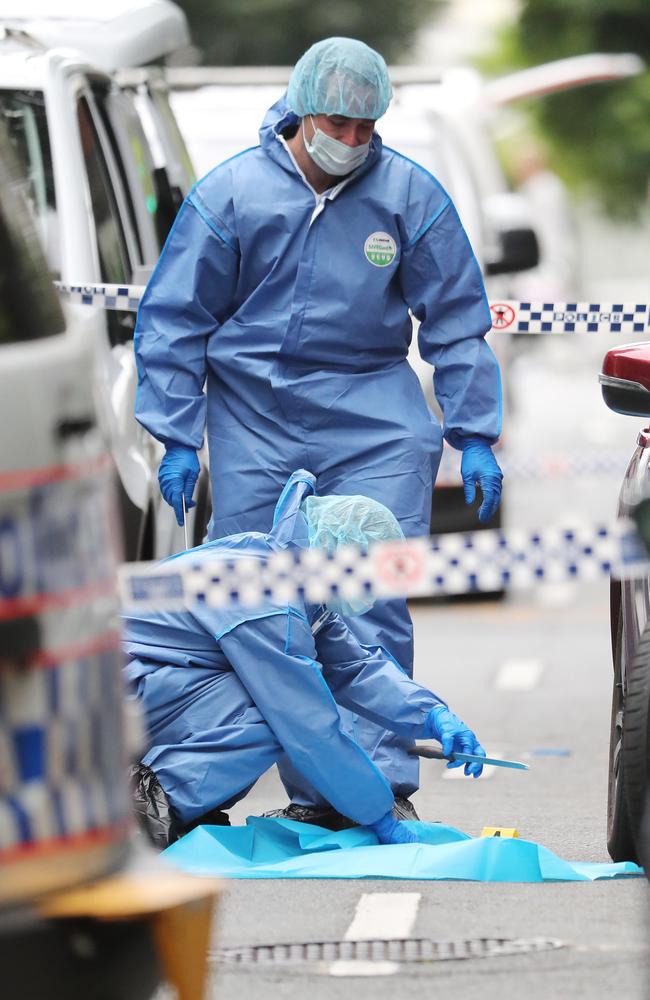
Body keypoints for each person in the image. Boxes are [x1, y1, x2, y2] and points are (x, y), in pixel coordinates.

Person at [134, 36, 502, 826]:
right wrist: (176, 435)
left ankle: (367, 785)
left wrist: (472, 430)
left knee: (367, 597)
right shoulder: (230, 195)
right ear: (303, 113)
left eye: (369, 128)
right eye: (341, 124)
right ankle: (219, 785)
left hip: (372, 414)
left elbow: (459, 322)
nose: (355, 142)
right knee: (257, 601)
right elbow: (174, 320)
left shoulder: (410, 197)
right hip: (253, 413)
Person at [125, 470, 486, 849]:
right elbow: (308, 725)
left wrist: (433, 716)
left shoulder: (289, 580)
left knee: (277, 701)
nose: (371, 594)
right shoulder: (266, 597)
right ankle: (150, 801)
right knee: (274, 712)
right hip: (121, 694)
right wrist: (379, 815)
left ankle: (174, 799)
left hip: (147, 687)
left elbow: (356, 668)